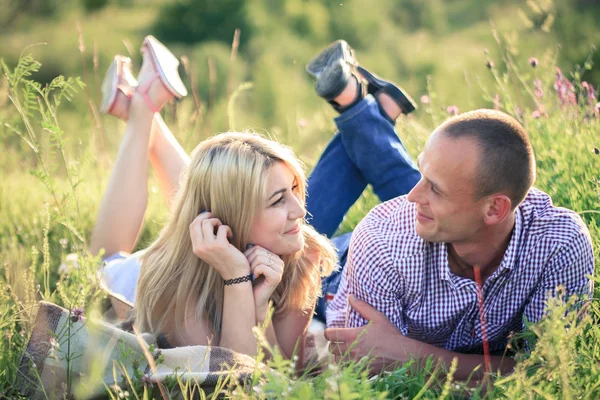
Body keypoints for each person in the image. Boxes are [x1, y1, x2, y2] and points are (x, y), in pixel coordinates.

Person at [91, 37, 421, 358]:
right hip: (138, 276)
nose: (301, 210)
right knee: (102, 260)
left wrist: (260, 306)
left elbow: (283, 369)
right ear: (232, 217)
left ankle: (144, 108)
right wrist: (237, 279)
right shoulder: (181, 289)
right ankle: (142, 111)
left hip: (225, 230)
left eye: (295, 189)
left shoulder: (302, 254)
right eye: (279, 200)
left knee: (215, 185)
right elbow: (237, 380)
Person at [311, 41, 595, 380]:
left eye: (434, 187)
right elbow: (368, 371)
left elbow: (549, 376)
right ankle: (362, 108)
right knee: (280, 238)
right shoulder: (385, 238)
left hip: (438, 229)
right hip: (333, 271)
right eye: (424, 178)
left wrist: (410, 355)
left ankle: (362, 107)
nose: (413, 195)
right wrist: (487, 374)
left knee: (433, 190)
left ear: (495, 209)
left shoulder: (557, 243)